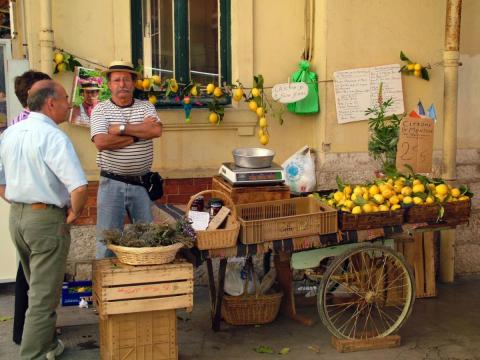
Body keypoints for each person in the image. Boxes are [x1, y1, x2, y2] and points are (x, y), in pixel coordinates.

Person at [0, 80, 88, 360]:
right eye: (65, 98)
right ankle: (33, 355)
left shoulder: (11, 132)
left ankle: (48, 345)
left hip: (18, 217)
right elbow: (79, 187)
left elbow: (1, 181)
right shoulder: (53, 136)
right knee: (43, 297)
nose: (68, 104)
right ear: (51, 103)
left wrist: (21, 201)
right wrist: (74, 213)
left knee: (35, 287)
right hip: (45, 219)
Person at [90, 61, 162, 259]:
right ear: (109, 85)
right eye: (116, 80)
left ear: (134, 83)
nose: (122, 84)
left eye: (126, 79)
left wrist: (121, 129)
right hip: (111, 183)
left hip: (141, 183)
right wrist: (140, 133)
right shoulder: (101, 110)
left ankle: (143, 284)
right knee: (107, 242)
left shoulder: (146, 107)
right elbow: (101, 142)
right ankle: (107, 287)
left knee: (148, 240)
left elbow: (156, 130)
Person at [10, 70, 52, 346]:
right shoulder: (35, 127)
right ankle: (35, 341)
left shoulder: (15, 124)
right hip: (39, 212)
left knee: (28, 275)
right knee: (38, 283)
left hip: (23, 211)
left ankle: (22, 333)